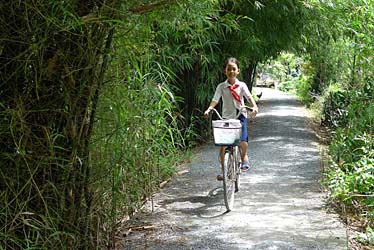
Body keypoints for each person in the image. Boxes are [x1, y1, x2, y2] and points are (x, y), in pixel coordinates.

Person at [204, 57, 258, 180]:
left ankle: (244, 158)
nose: (231, 71)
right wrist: (209, 109)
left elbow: (249, 98)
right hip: (226, 118)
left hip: (240, 116)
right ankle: (223, 171)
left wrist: (254, 107)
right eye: (229, 69)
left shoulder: (242, 85)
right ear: (225, 71)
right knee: (223, 146)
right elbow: (215, 100)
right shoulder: (221, 87)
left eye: (234, 69)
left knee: (243, 142)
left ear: (238, 71)